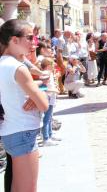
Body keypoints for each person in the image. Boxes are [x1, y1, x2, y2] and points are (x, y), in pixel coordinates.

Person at [0, 19, 49, 192]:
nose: (33, 42)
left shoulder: (3, 63)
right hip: (23, 132)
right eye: (29, 37)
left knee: (16, 186)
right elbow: (44, 104)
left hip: (11, 131)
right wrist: (39, 96)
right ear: (14, 40)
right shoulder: (18, 68)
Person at [40, 57, 61, 147]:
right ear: (48, 65)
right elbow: (43, 86)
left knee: (50, 117)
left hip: (51, 96)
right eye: (52, 64)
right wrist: (54, 90)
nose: (54, 66)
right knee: (46, 118)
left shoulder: (50, 73)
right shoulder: (45, 73)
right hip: (48, 96)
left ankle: (50, 134)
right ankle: (46, 138)